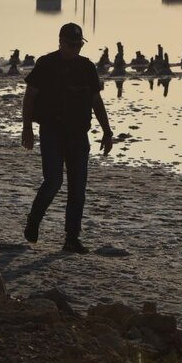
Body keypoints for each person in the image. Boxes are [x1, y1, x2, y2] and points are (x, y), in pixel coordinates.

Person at [22, 22, 113, 253]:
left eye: (79, 45)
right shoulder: (46, 64)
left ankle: (71, 238)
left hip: (79, 135)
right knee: (53, 181)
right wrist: (27, 129)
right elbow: (30, 96)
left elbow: (96, 100)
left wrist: (107, 131)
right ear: (60, 42)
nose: (75, 49)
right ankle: (34, 219)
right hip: (52, 132)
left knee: (78, 189)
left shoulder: (86, 67)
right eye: (71, 45)